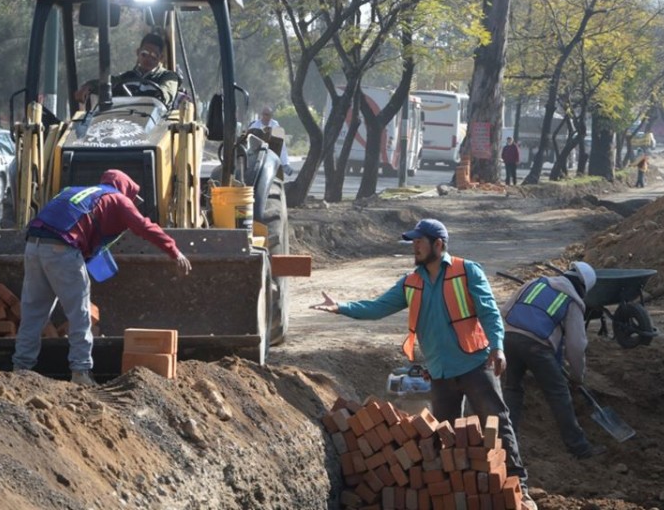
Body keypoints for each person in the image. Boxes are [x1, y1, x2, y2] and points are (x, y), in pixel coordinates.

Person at [310, 218, 537, 510]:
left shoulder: (466, 271)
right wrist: (342, 307)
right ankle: (460, 496)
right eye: (413, 242)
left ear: (438, 244)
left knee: (498, 424)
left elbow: (490, 313)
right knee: (448, 437)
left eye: (419, 242)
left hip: (475, 365)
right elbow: (378, 307)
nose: (414, 247)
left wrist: (498, 348)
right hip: (441, 373)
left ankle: (522, 488)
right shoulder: (411, 282)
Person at [12, 169, 192, 385]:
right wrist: (174, 251)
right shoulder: (118, 199)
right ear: (125, 188)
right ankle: (80, 371)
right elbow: (144, 226)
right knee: (80, 313)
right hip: (62, 249)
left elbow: (75, 223)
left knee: (33, 312)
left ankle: (20, 369)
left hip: (33, 246)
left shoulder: (75, 192)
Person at [501, 262, 607, 460]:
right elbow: (576, 345)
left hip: (509, 337)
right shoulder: (573, 300)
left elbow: (506, 311)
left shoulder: (535, 283)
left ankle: (507, 443)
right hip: (537, 347)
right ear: (582, 288)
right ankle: (580, 448)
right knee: (559, 394)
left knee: (512, 389)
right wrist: (577, 377)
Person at [75, 33, 180, 108]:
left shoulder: (168, 77)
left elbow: (165, 94)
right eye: (144, 53)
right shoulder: (127, 77)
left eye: (153, 56)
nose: (148, 59)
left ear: (161, 58)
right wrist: (88, 86)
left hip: (157, 126)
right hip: (125, 121)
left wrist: (158, 96)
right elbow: (109, 82)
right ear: (138, 53)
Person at [248, 106, 293, 176]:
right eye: (265, 114)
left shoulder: (275, 125)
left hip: (272, 152)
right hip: (257, 153)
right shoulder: (255, 126)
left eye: (269, 115)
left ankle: (285, 165)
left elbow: (281, 144)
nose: (267, 117)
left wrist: (285, 163)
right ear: (262, 115)